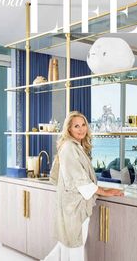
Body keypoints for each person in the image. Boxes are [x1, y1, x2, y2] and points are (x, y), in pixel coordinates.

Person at [43, 111, 124, 261]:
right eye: (76, 126)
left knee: (65, 245)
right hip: (74, 206)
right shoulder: (69, 147)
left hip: (72, 205)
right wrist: (105, 192)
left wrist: (102, 189)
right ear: (69, 130)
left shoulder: (76, 147)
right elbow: (79, 179)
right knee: (75, 247)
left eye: (83, 125)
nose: (81, 129)